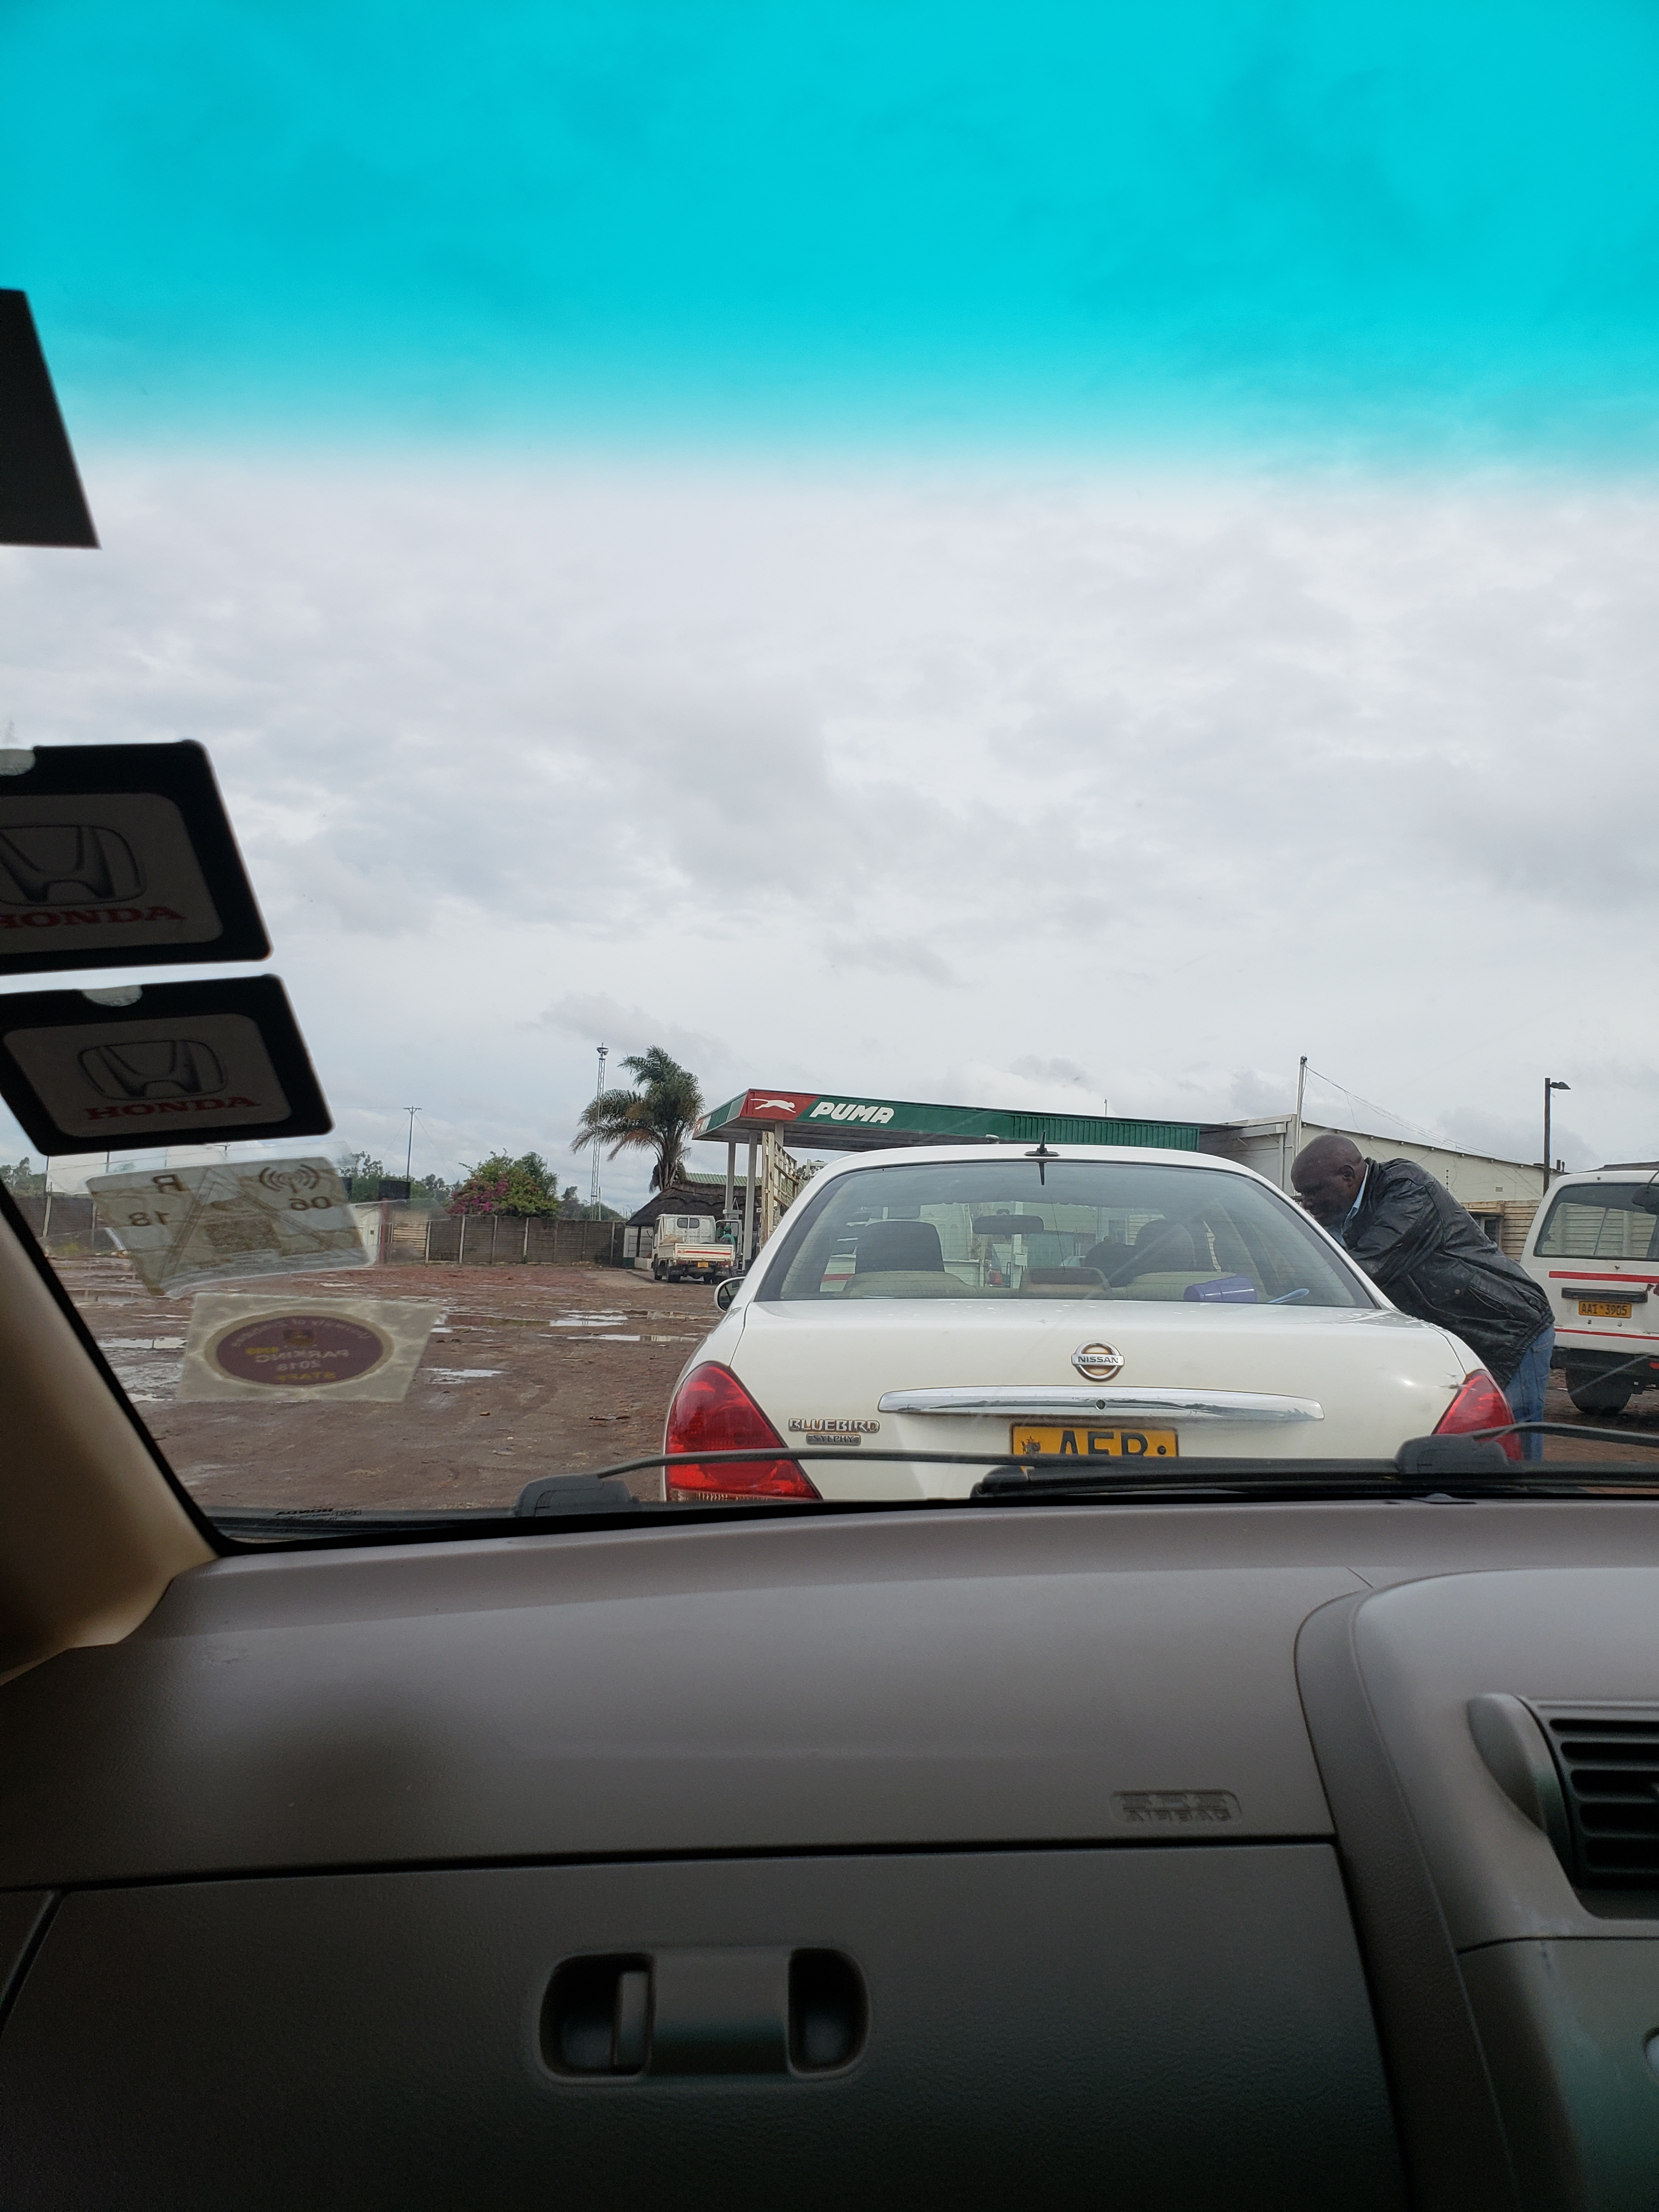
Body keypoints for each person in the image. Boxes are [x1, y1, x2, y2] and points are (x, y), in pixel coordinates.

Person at [1290, 1133, 1555, 1460]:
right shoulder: (1342, 1215)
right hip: (1455, 1337)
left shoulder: (1408, 1190)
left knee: (1513, 1444)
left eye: (1313, 1191)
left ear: (1347, 1176)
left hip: (1509, 1329)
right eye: (1302, 1195)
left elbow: (1365, 1269)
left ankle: (1524, 1494)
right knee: (1459, 1444)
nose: (1306, 1203)